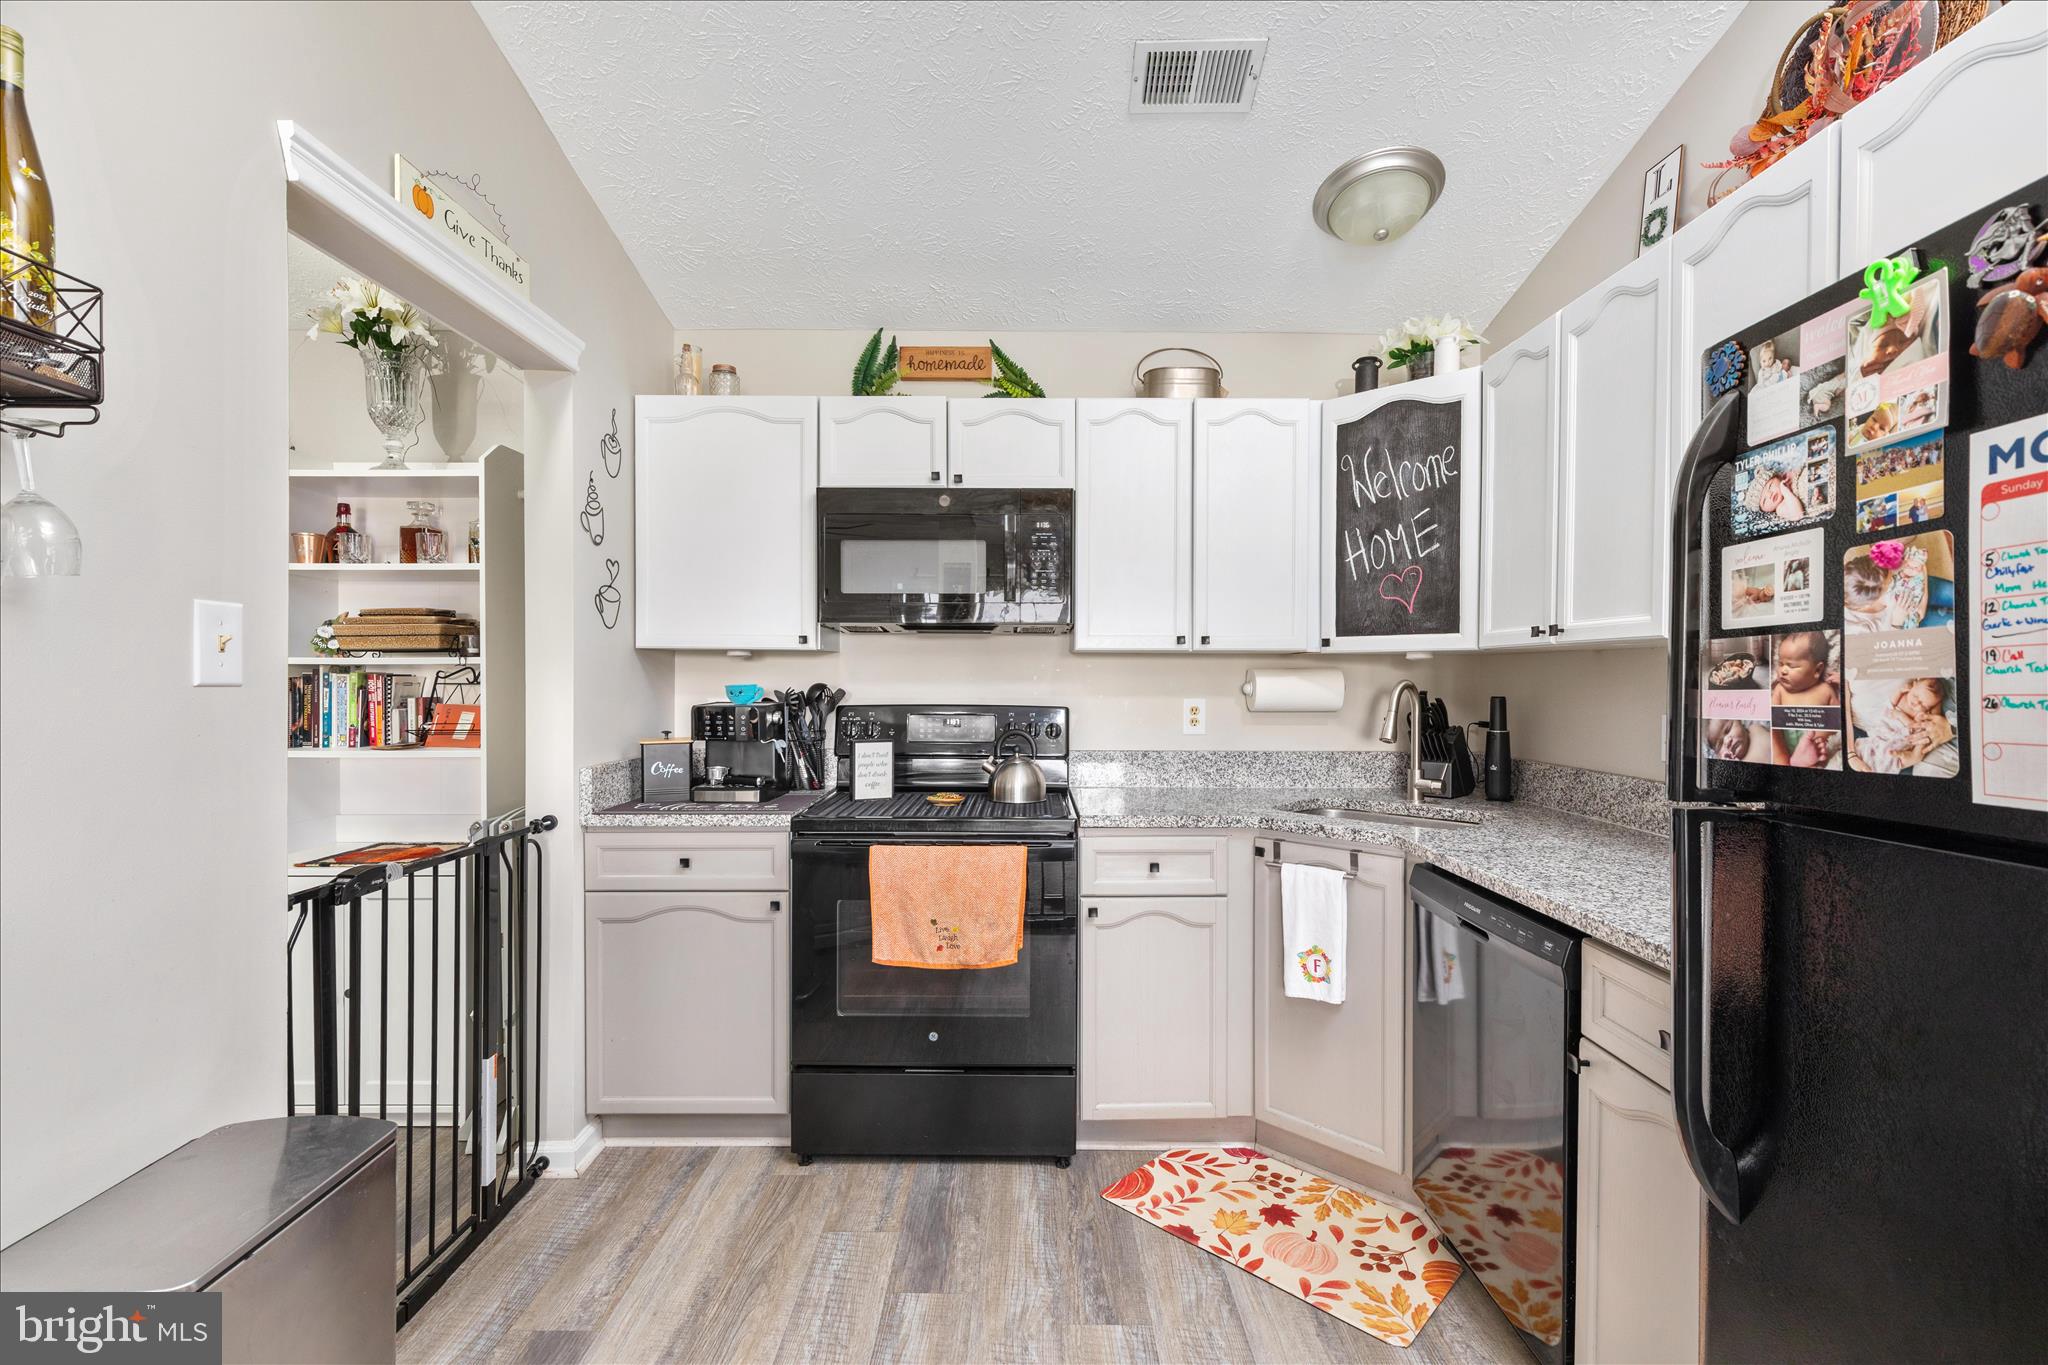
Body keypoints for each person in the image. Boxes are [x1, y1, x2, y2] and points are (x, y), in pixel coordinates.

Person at [1849, 677, 1957, 775]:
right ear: (1913, 685)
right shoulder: (1904, 695)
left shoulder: (1921, 713)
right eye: (1916, 696)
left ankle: (1891, 762)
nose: (1917, 703)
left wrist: (1901, 716)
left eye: (1924, 705)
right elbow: (1891, 704)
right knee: (1871, 745)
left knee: (1891, 754)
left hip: (1901, 735)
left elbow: (1913, 726)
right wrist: (1900, 691)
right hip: (1886, 726)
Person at [1773, 631, 1839, 707]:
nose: (1783, 671)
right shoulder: (1780, 690)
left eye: (1792, 666)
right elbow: (1771, 715)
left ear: (1817, 670)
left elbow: (1838, 716)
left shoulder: (1826, 691)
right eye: (1780, 664)